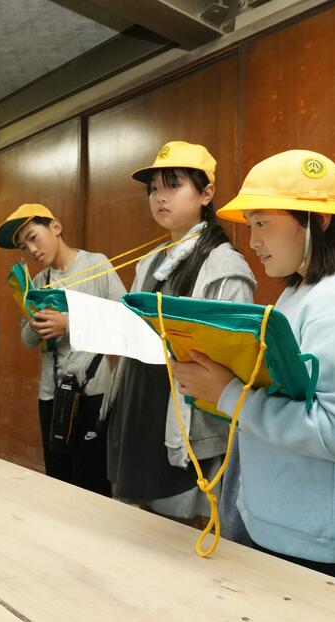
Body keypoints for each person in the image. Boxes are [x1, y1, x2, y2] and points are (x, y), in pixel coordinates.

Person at [173, 149, 335, 584]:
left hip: (313, 539)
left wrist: (230, 394)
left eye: (262, 223)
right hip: (289, 522)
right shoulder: (302, 291)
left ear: (318, 220)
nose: (253, 241)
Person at [105, 141, 254, 540]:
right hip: (140, 410)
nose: (160, 197)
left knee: (181, 539)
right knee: (134, 534)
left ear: (206, 194)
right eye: (154, 189)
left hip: (183, 423)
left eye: (173, 185)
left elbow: (232, 360)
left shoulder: (224, 266)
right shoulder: (149, 262)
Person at [0, 203, 126, 496]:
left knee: (92, 487)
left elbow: (126, 320)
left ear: (55, 226)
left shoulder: (96, 265)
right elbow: (27, 341)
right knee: (58, 484)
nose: (32, 250)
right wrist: (34, 321)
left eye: (33, 237)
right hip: (52, 395)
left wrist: (69, 323)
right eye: (23, 246)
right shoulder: (39, 282)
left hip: (94, 393)